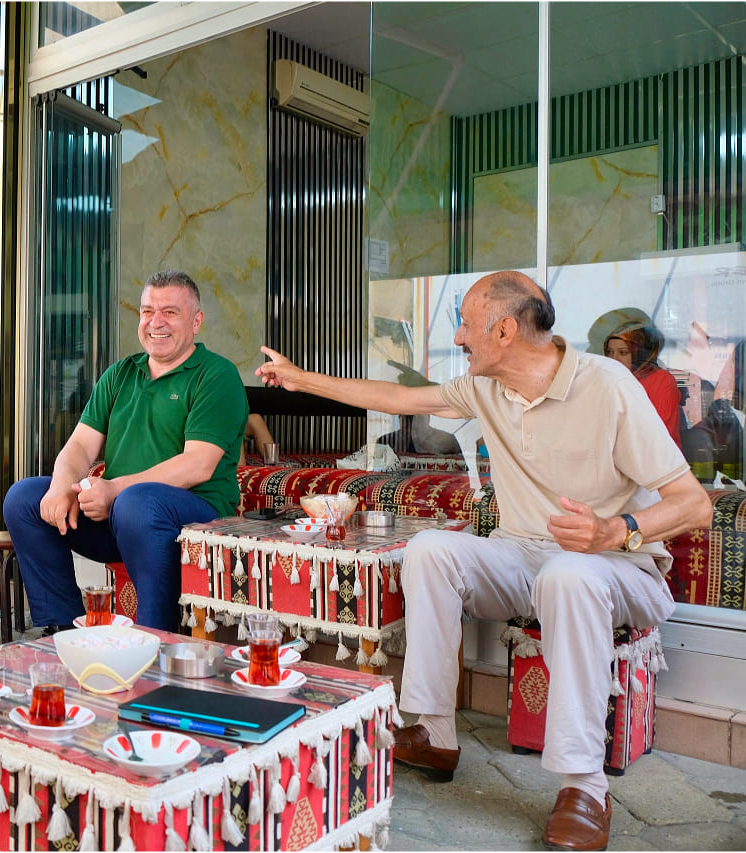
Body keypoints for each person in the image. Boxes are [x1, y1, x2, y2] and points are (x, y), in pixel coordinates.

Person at [258, 271, 711, 851]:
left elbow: (693, 504)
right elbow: (395, 397)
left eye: (466, 323)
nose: (459, 335)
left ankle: (585, 786)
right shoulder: (484, 387)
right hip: (522, 556)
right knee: (431, 551)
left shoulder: (609, 386)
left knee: (569, 574)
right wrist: (300, 380)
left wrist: (611, 531)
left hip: (618, 565)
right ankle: (436, 732)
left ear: (504, 329)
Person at [4, 270, 248, 632]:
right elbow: (80, 445)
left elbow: (199, 464)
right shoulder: (121, 374)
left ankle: (156, 636)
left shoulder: (216, 375)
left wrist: (114, 490)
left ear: (196, 322)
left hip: (194, 518)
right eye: (148, 311)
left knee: (138, 502)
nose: (156, 322)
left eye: (170, 312)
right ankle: (64, 631)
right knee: (23, 498)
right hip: (121, 518)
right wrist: (61, 486)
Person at [604, 321, 682, 447]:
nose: (614, 359)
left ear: (639, 354)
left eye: (623, 352)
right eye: (610, 352)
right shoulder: (607, 381)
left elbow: (656, 434)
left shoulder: (661, 380)